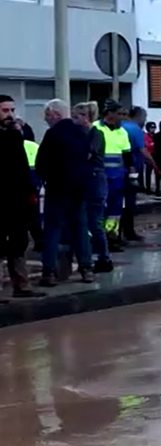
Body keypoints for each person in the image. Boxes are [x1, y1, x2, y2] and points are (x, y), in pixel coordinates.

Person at [36, 99, 94, 286]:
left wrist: (46, 178)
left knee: (53, 229)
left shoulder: (53, 134)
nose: (46, 119)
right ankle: (86, 269)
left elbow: (41, 162)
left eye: (47, 115)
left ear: (55, 114)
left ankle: (49, 272)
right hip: (80, 188)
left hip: (58, 188)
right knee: (80, 228)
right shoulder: (82, 132)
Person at [0, 94, 42, 298]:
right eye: (5, 111)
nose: (10, 115)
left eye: (12, 110)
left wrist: (29, 193)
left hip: (18, 198)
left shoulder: (16, 135)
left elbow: (22, 166)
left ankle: (22, 286)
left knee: (18, 242)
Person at [73, 101, 113, 273]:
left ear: (85, 117)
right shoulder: (83, 133)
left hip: (94, 179)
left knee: (94, 221)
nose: (74, 120)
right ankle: (94, 256)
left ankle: (104, 258)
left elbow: (87, 154)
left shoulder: (94, 134)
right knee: (88, 221)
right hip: (89, 179)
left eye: (76, 117)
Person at [96, 101, 133, 252]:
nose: (122, 117)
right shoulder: (96, 128)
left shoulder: (122, 132)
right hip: (100, 177)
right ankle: (99, 239)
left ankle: (112, 237)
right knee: (100, 209)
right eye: (119, 114)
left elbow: (127, 155)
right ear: (110, 113)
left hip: (118, 178)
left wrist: (132, 174)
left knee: (115, 210)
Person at [121, 106, 157, 243]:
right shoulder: (136, 130)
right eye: (144, 117)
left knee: (117, 203)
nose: (145, 120)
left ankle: (116, 233)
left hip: (118, 171)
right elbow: (143, 151)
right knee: (130, 202)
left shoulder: (120, 127)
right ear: (139, 117)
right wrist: (154, 165)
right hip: (132, 171)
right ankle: (128, 232)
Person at [21, 125, 43, 252]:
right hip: (33, 185)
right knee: (33, 214)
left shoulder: (26, 146)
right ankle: (39, 240)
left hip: (25, 184)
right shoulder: (34, 146)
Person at [144, 121, 159, 193]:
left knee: (157, 171)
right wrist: (153, 144)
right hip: (149, 154)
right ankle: (148, 188)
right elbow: (147, 145)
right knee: (148, 172)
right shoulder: (145, 136)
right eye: (151, 128)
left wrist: (153, 145)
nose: (153, 129)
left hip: (156, 155)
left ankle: (158, 188)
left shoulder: (156, 136)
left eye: (154, 127)